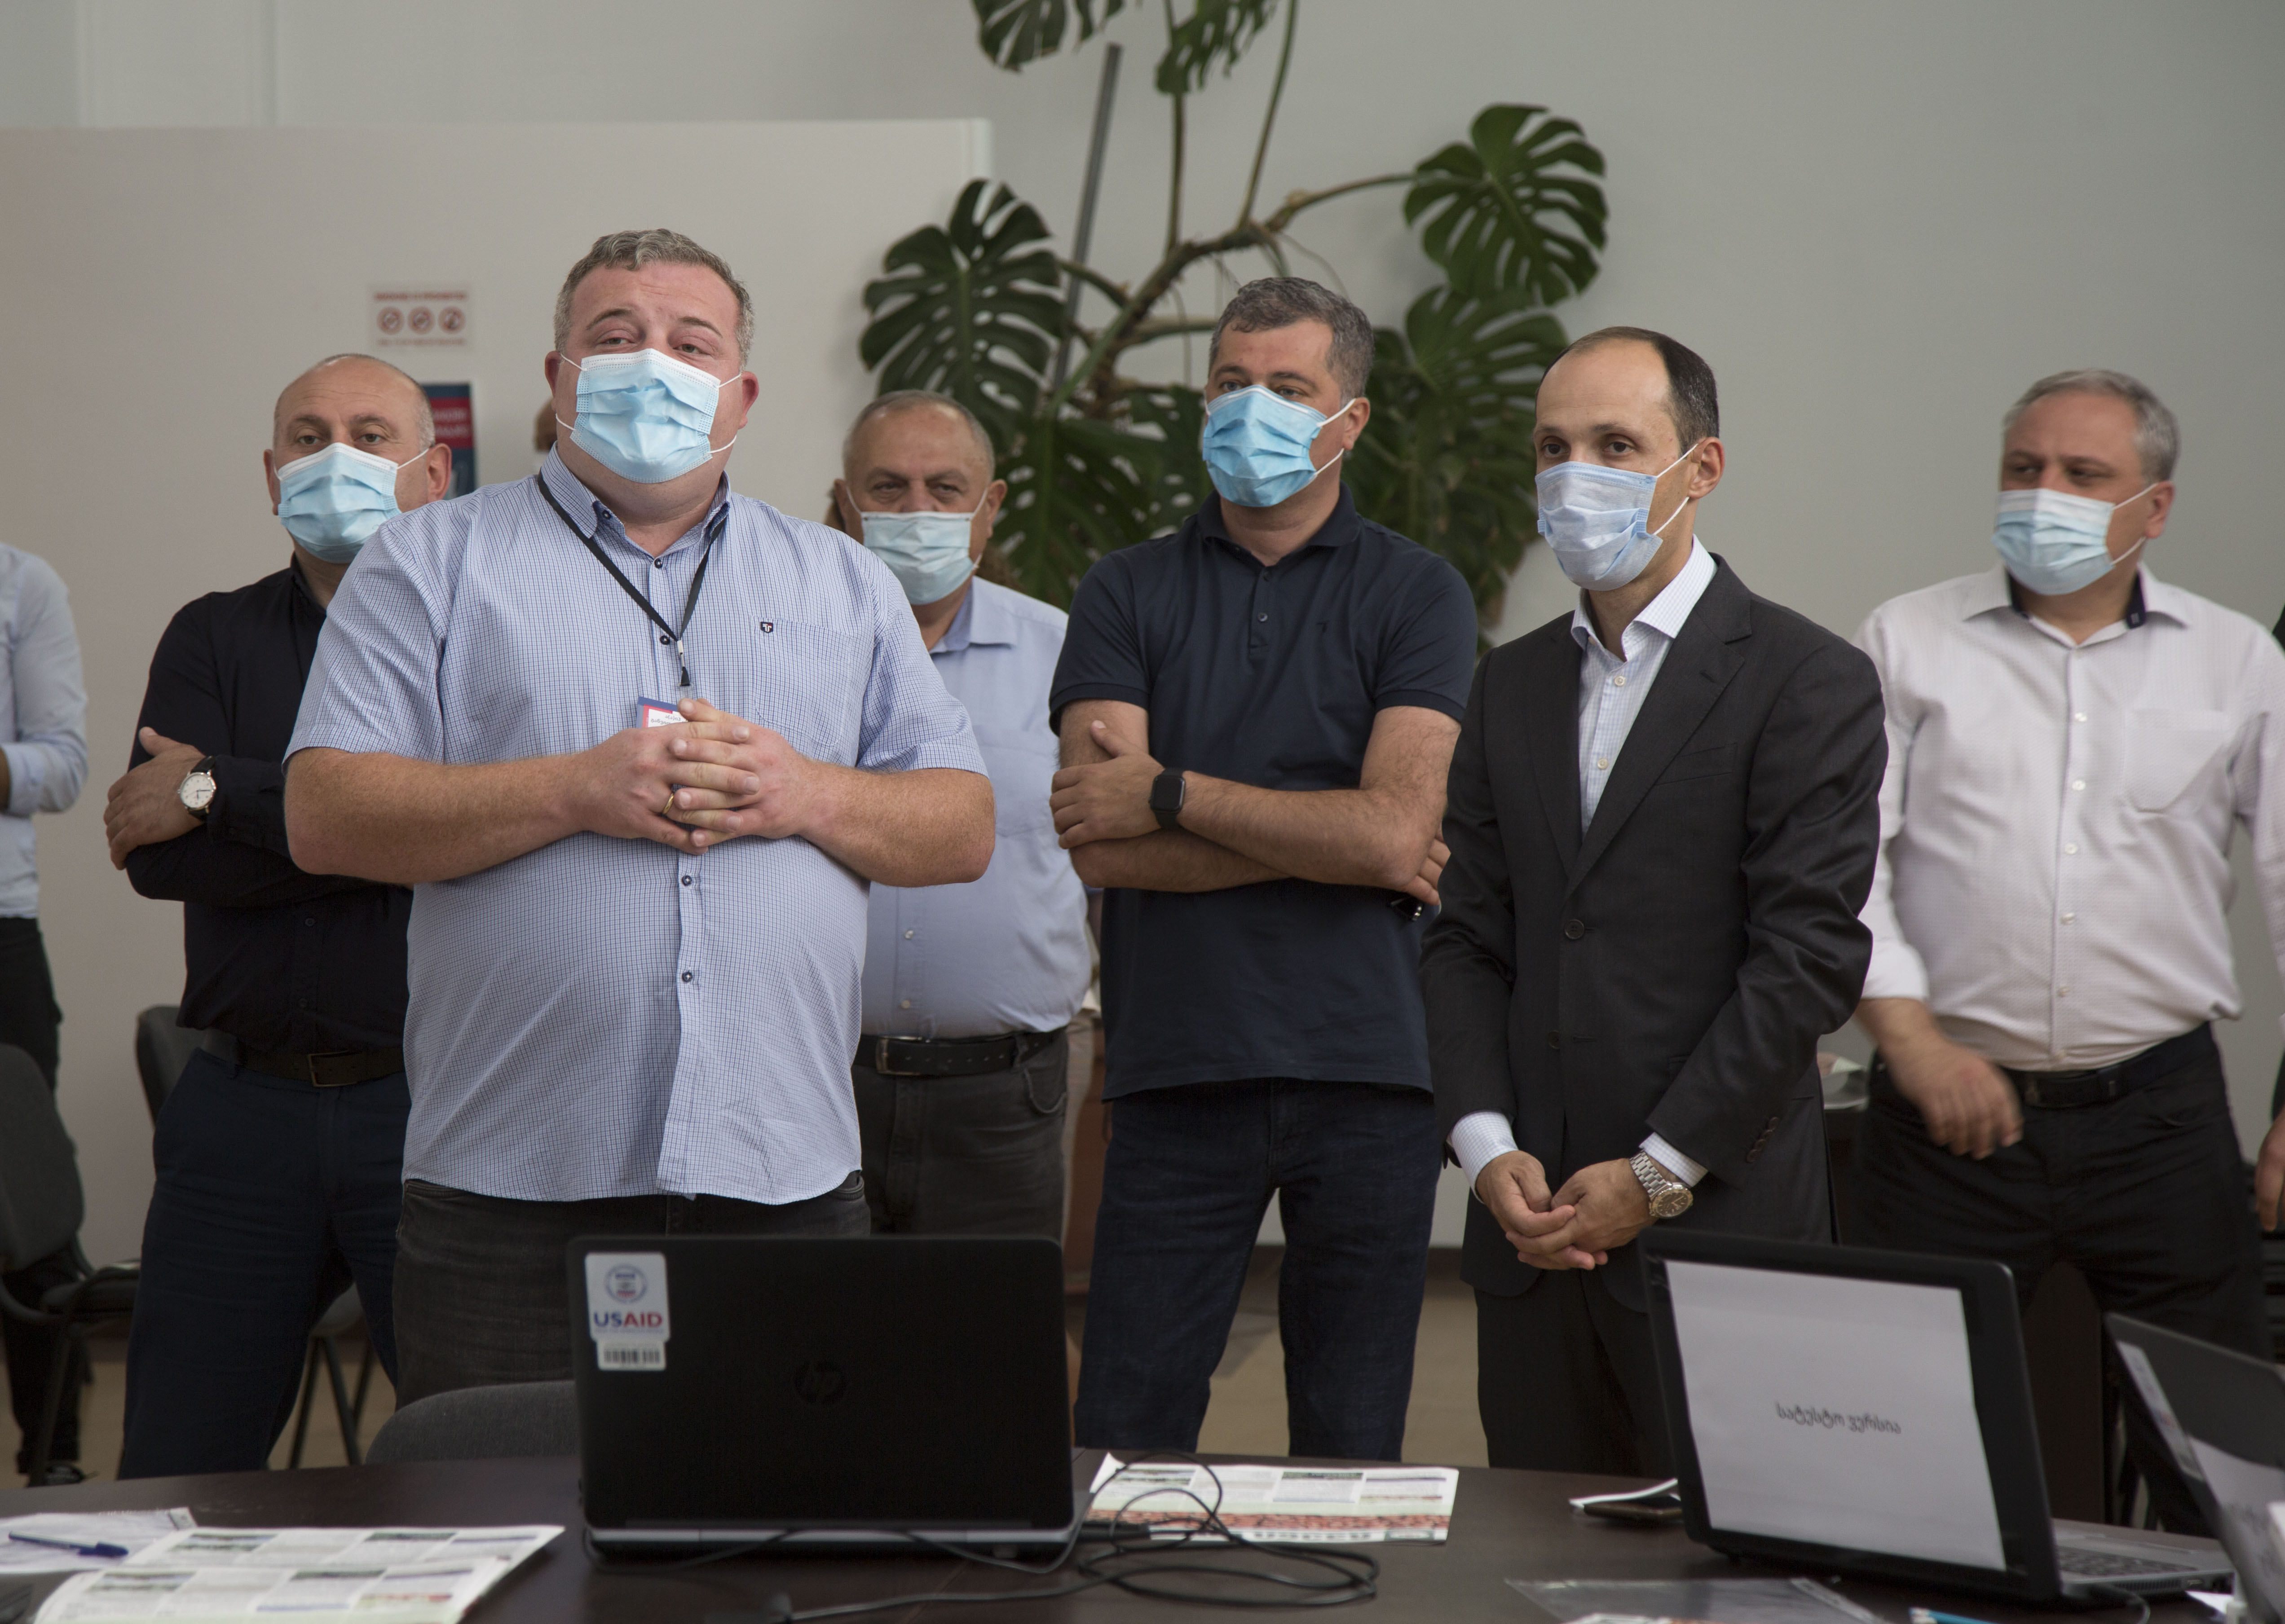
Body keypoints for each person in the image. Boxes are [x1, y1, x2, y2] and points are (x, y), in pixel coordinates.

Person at [282, 230, 992, 1403]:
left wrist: (805, 789)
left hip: (781, 1173)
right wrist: (572, 788)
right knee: (497, 1505)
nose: (651, 361)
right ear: (558, 378)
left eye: (689, 343)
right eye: (614, 337)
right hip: (512, 1185)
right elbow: (327, 814)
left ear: (742, 394)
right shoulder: (428, 562)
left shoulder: (843, 581)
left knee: (778, 1502)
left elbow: (959, 826)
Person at [1423, 326, 1887, 1474]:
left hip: (1718, 1229)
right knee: (1528, 1544)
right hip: (1529, 1234)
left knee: (1727, 1548)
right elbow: (1465, 937)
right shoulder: (1507, 682)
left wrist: (1656, 1173)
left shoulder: (1804, 679)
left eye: (1614, 446)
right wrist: (1483, 1147)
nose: (1573, 475)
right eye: (1552, 448)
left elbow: (1804, 960)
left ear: (1701, 468)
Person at [1849, 368, 2285, 1533]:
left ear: (2154, 507)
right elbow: (1845, 867)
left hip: (2157, 1119)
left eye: (2081, 474)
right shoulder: (1905, 641)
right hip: (1943, 1123)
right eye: (2023, 468)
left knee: (2223, 1466)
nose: (2041, 492)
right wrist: (1909, 1040)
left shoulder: (2236, 661)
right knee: (1897, 1444)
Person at [1050, 276, 1475, 1460]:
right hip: (1175, 1070)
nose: (1252, 410)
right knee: (1125, 1439)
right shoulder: (1125, 588)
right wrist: (1335, 843)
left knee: (1351, 1444)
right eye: (1231, 384)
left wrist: (1173, 793)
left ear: (1350, 418)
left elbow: (1393, 835)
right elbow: (1101, 841)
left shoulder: (1417, 592)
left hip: (1367, 1076)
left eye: (1289, 388)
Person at [103, 354, 447, 1477]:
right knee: (177, 1472)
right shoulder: (211, 635)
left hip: (432, 1111)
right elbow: (158, 861)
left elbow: (482, 833)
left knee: (474, 1460)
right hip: (238, 1116)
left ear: (433, 473)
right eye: (308, 437)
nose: (335, 457)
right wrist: (393, 831)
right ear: (270, 474)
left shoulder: (484, 637)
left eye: (370, 433)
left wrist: (218, 791)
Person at [830, 391, 1090, 1238]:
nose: (918, 511)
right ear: (845, 504)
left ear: (990, 506)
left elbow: (1111, 861)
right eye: (889, 487)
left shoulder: (1066, 656)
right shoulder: (783, 655)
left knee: (994, 1320)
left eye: (945, 488)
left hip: (1008, 1091)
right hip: (818, 1082)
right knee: (817, 1320)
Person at [0, 543, 85, 1484]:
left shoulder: (22, 585)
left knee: (21, 1201)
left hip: (1, 934)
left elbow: (64, 767)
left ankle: (53, 1454)